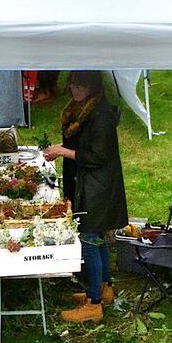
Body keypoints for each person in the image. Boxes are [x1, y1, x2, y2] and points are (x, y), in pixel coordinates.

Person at [43, 72, 129, 323]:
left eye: (79, 84)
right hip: (90, 185)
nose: (73, 88)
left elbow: (97, 157)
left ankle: (93, 304)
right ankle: (104, 288)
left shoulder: (100, 117)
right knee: (97, 235)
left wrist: (61, 151)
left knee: (90, 239)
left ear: (92, 86)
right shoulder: (81, 109)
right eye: (71, 83)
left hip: (97, 188)